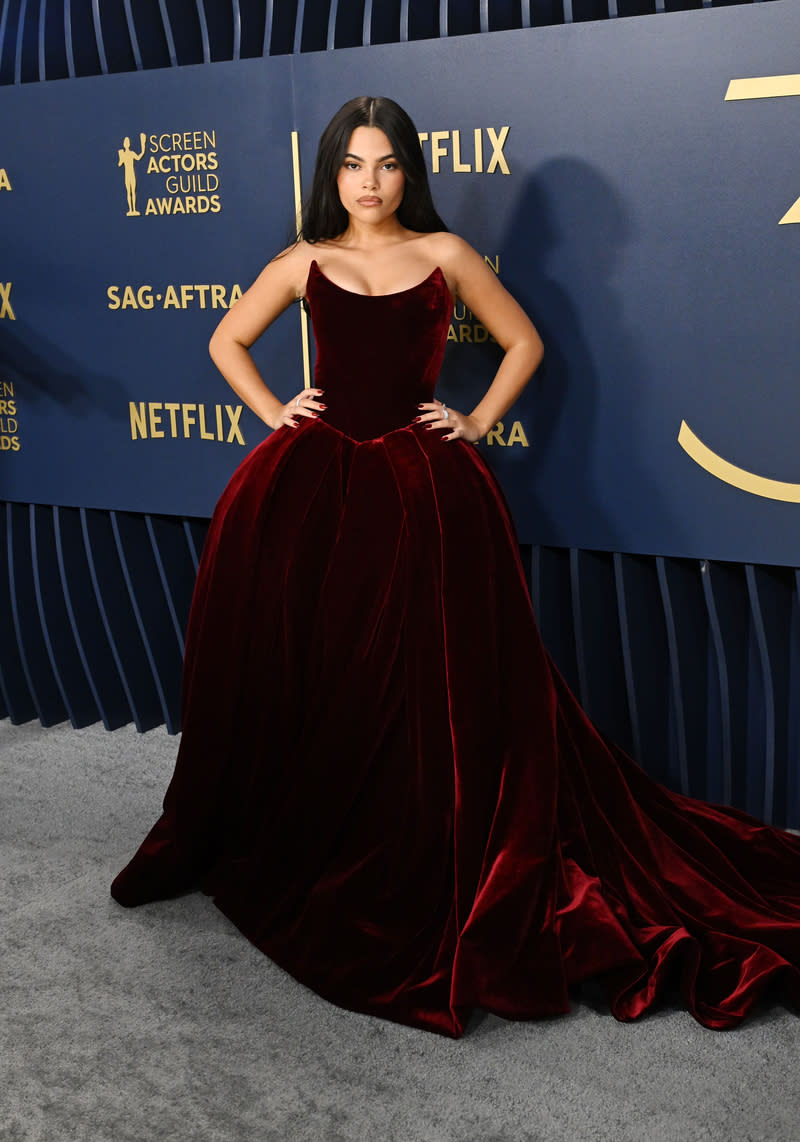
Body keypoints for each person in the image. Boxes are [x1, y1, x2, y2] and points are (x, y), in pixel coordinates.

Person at [111, 96, 800, 1038]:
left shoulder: (445, 257)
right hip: (312, 494)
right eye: (353, 165)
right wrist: (275, 410)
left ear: (410, 174)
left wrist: (472, 422)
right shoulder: (305, 262)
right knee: (321, 671)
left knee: (436, 680)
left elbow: (525, 343)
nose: (369, 182)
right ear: (331, 175)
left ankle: (430, 834)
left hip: (427, 491)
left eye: (387, 164)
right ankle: (324, 821)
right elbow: (225, 340)